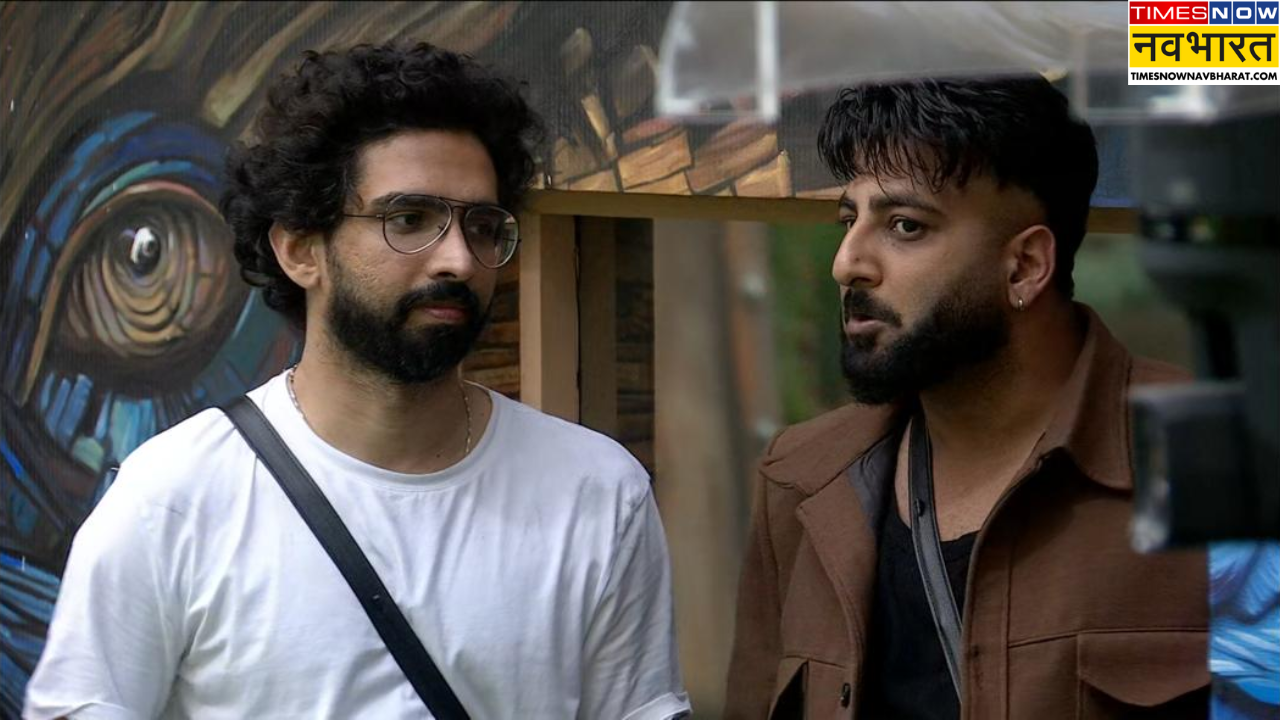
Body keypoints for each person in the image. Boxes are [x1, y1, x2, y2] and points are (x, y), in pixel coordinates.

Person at [26, 42, 689, 720]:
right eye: (410, 220)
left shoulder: (595, 494)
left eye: (483, 227)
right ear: (300, 249)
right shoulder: (175, 499)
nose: (460, 260)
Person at [724, 76, 1209, 719]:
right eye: (849, 219)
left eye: (904, 225)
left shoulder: (1221, 466)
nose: (847, 262)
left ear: (1025, 266)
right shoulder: (803, 478)